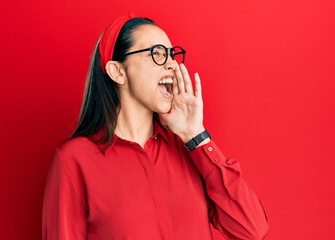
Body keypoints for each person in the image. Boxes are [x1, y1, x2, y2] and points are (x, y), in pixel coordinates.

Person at [42, 13, 269, 240]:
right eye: (157, 54)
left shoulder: (189, 148)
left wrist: (195, 135)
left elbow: (251, 230)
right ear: (118, 72)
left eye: (171, 55)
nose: (171, 64)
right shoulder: (74, 160)